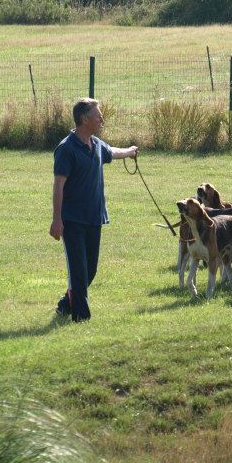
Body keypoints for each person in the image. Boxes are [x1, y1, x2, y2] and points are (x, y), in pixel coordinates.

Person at [50, 98, 137, 321]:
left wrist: (129, 151)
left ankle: (64, 304)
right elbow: (58, 184)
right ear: (84, 119)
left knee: (90, 270)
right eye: (98, 116)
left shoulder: (96, 144)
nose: (102, 119)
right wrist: (56, 220)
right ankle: (82, 318)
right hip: (72, 220)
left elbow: (112, 152)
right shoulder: (66, 149)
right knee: (79, 273)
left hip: (94, 218)